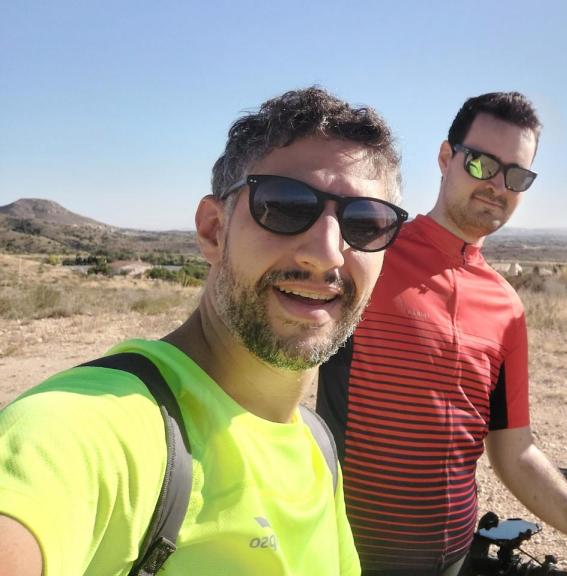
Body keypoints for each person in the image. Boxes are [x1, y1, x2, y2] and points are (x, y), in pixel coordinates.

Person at [0, 86, 409, 575]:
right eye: (284, 205)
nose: (326, 252)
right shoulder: (82, 429)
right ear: (214, 229)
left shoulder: (316, 448)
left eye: (365, 223)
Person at [317, 92, 567, 576]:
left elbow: (515, 454)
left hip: (454, 560)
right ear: (444, 158)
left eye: (515, 175)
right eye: (480, 163)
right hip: (348, 558)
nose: (496, 185)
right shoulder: (370, 257)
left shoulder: (506, 308)